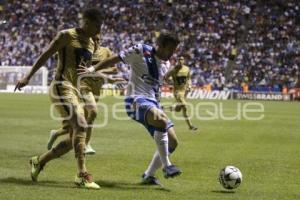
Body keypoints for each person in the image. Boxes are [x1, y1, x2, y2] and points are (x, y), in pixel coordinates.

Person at [14, 8, 103, 189]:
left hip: (76, 91)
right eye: (97, 26)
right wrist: (27, 77)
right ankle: (82, 175)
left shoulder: (91, 43)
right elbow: (45, 55)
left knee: (75, 139)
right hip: (61, 86)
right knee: (81, 125)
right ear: (87, 22)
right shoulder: (66, 35)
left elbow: (83, 69)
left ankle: (39, 161)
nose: (99, 30)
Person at [78, 31, 182, 185]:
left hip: (153, 103)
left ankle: (149, 176)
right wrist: (93, 69)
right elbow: (116, 58)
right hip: (135, 100)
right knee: (161, 120)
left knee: (173, 142)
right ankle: (167, 166)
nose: (172, 53)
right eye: (170, 49)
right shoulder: (141, 50)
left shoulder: (166, 64)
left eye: (174, 50)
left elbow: (160, 83)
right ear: (160, 46)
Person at [47, 33, 119, 155]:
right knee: (93, 112)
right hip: (83, 87)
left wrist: (96, 69)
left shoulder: (106, 51)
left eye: (98, 40)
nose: (96, 42)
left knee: (81, 121)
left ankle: (56, 133)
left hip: (97, 88)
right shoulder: (84, 50)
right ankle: (86, 144)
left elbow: (114, 69)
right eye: (94, 39)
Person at [163, 56, 197, 131]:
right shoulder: (173, 70)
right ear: (177, 61)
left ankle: (164, 108)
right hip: (177, 91)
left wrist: (190, 85)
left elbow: (189, 78)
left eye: (182, 59)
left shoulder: (187, 69)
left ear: (184, 61)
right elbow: (165, 77)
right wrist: (170, 83)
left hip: (184, 91)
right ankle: (190, 126)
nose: (180, 61)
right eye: (179, 60)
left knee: (179, 109)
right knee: (184, 105)